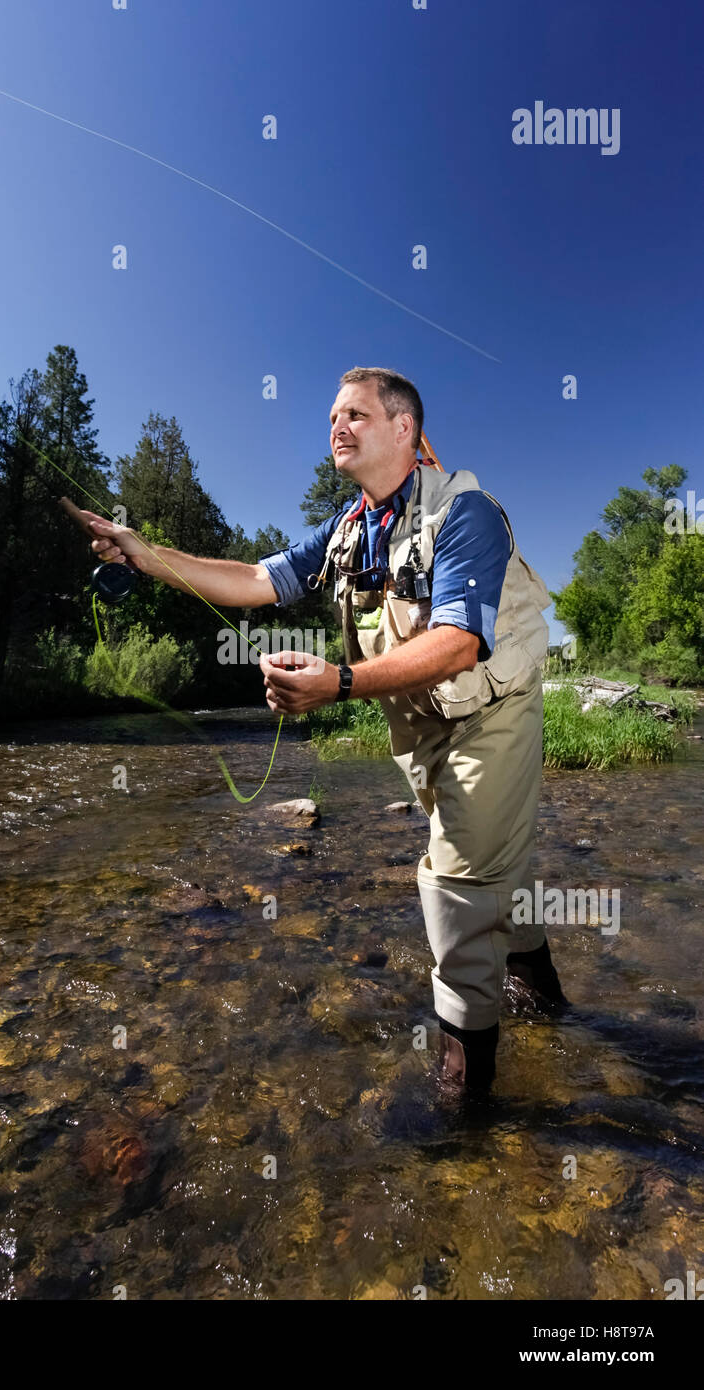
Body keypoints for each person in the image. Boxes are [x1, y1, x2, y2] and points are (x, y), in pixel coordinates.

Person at [81, 366, 567, 1096]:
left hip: (490, 719)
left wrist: (335, 684)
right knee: (505, 873)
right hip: (421, 730)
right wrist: (148, 557)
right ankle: (554, 1010)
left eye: (355, 415)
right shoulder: (348, 530)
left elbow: (460, 644)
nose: (336, 427)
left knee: (459, 889)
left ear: (404, 429)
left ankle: (464, 1115)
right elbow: (252, 579)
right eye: (332, 417)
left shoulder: (465, 512)